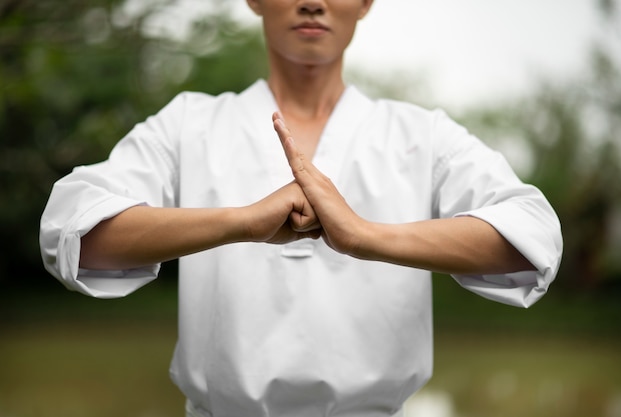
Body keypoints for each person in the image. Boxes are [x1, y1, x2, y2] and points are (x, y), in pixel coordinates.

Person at [39, 1, 563, 416]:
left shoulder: (420, 135)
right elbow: (73, 232)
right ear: (254, 0)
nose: (312, 2)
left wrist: (362, 235)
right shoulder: (189, 125)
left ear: (365, 2)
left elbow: (532, 239)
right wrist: (240, 222)